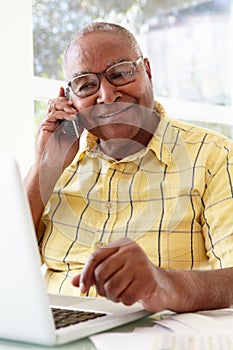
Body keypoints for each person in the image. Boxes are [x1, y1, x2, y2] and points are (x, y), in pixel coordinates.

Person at [25, 21, 233, 314]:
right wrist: (44, 167)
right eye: (86, 85)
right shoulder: (59, 161)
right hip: (56, 333)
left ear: (147, 71)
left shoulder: (215, 156)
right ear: (69, 99)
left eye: (121, 73)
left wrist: (161, 283)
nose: (107, 96)